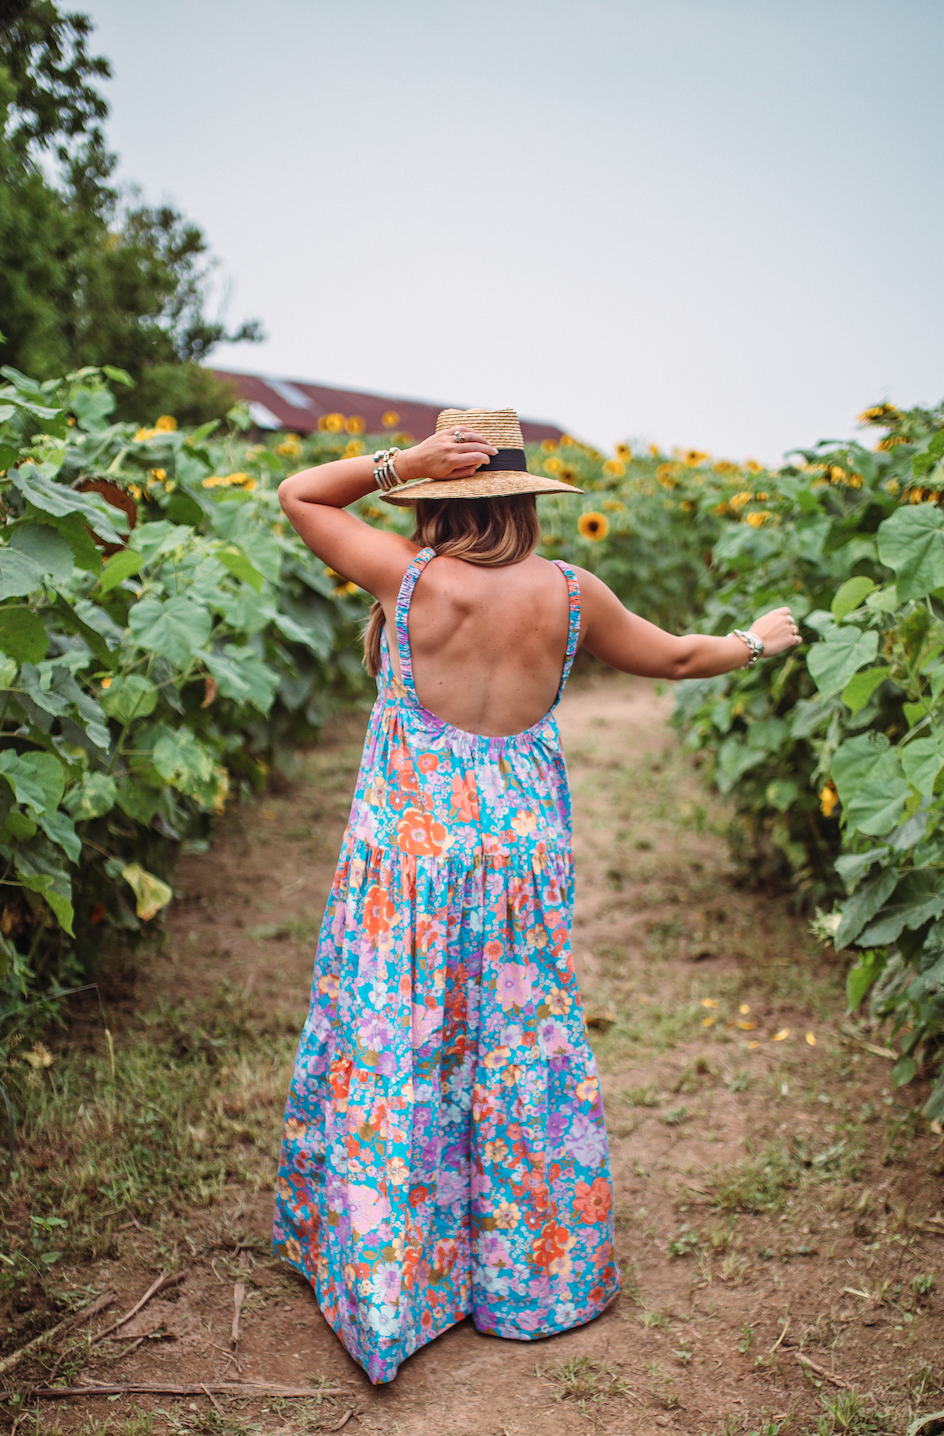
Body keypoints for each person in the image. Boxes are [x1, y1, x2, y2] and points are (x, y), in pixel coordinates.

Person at [273, 407, 801, 1385]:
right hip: (517, 855)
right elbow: (679, 656)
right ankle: (528, 1273)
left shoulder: (409, 578)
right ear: (524, 496)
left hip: (409, 860)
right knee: (517, 1041)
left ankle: (393, 1271)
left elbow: (297, 492)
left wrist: (395, 462)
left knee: (398, 1030)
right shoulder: (569, 592)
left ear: (439, 493)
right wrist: (754, 638)